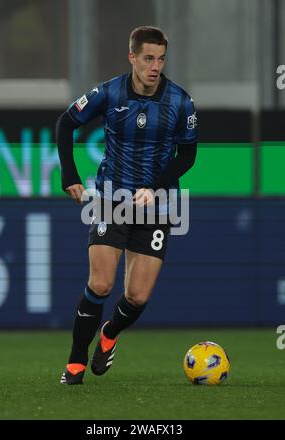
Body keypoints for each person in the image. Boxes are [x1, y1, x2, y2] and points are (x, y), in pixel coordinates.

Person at [56, 26, 197, 385]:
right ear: (132, 57)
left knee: (137, 296)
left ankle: (109, 335)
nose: (155, 66)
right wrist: (69, 174)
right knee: (101, 284)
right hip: (112, 199)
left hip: (159, 203)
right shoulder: (109, 92)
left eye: (161, 59)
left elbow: (188, 155)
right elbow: (65, 122)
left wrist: (154, 187)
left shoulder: (180, 101)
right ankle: (75, 361)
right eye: (148, 58)